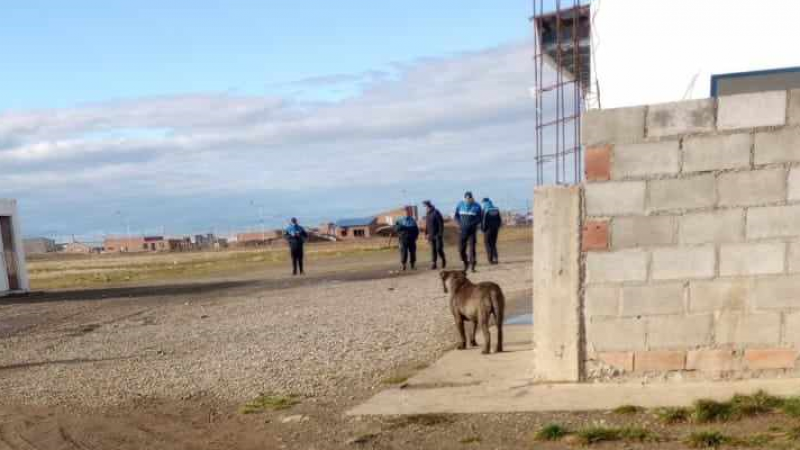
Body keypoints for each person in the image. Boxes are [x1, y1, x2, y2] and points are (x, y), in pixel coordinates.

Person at [454, 191, 482, 272]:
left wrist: (473, 224)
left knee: (472, 249)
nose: (468, 199)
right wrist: (459, 223)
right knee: (461, 249)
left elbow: (480, 218)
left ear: (472, 198)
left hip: (472, 231)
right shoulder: (460, 204)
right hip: (462, 231)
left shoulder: (477, 206)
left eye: (469, 198)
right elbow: (456, 216)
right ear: (464, 198)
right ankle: (466, 263)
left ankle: (473, 266)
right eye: (466, 198)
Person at [423, 200, 446, 270]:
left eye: (426, 206)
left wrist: (440, 233)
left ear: (429, 206)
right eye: (425, 207)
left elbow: (441, 223)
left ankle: (443, 259)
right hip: (431, 235)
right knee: (433, 250)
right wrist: (426, 233)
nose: (425, 208)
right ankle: (434, 263)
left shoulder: (436, 212)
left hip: (437, 234)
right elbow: (427, 224)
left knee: (438, 249)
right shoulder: (427, 214)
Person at [481, 197, 502, 265]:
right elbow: (499, 219)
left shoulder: (485, 210)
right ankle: (496, 258)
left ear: (484, 202)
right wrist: (498, 227)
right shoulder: (496, 209)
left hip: (488, 229)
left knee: (487, 244)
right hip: (495, 229)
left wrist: (483, 229)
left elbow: (483, 221)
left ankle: (490, 260)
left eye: (482, 202)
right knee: (493, 244)